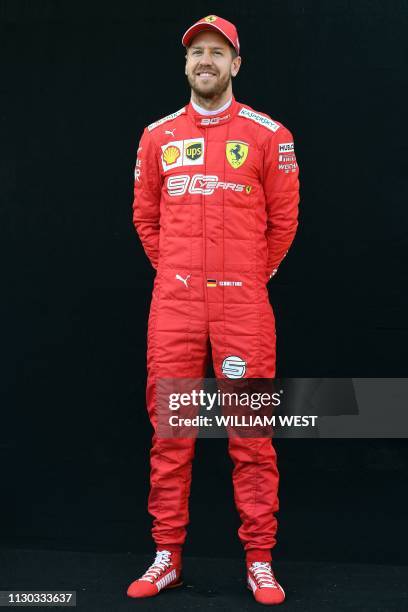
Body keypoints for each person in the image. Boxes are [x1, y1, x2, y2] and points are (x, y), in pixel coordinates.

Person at [127, 14, 300, 606]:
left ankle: (260, 560)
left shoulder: (269, 135)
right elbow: (146, 220)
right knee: (171, 432)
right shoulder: (156, 137)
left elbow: (284, 224)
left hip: (243, 305)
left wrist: (245, 279)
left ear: (236, 65)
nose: (206, 60)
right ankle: (166, 556)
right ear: (185, 64)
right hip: (174, 304)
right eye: (196, 51)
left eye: (217, 53)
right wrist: (180, 275)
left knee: (252, 435)